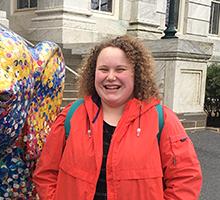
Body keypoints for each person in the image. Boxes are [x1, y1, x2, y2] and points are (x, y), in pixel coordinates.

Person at [33, 35, 202, 200]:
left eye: (120, 69)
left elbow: (185, 180)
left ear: (136, 74)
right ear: (94, 74)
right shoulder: (71, 116)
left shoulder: (162, 120)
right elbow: (46, 173)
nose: (111, 77)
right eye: (104, 69)